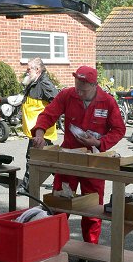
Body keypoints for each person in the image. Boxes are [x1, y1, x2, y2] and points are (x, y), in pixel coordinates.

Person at [31, 65, 126, 246]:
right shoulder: (67, 95)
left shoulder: (107, 101)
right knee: (60, 204)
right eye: (77, 88)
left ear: (94, 85)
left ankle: (90, 248)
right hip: (68, 159)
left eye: (83, 90)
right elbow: (48, 114)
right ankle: (53, 245)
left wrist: (99, 143)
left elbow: (119, 129)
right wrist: (40, 133)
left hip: (94, 161)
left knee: (92, 208)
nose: (79, 93)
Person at [17, 57, 58, 195]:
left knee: (32, 157)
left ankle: (26, 187)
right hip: (35, 129)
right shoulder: (33, 82)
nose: (26, 71)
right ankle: (61, 179)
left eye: (29, 69)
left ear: (37, 70)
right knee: (48, 157)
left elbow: (57, 103)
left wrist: (45, 121)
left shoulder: (44, 83)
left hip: (41, 130)